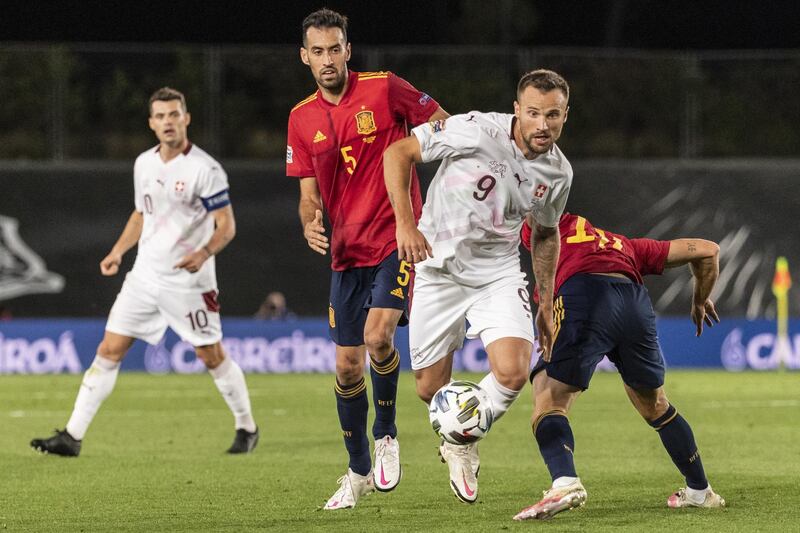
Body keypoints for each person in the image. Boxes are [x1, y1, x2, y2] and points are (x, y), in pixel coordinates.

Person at [31, 87, 258, 457]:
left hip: (188, 283)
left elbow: (226, 226)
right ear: (152, 124)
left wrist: (203, 253)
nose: (168, 122)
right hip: (144, 277)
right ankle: (72, 436)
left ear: (186, 118)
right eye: (161, 116)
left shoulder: (206, 169)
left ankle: (247, 427)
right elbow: (142, 213)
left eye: (174, 114)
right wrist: (118, 251)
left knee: (210, 356)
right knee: (109, 349)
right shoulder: (144, 164)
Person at [383, 69, 573, 503]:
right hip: (438, 268)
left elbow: (545, 234)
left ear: (565, 116)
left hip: (497, 272)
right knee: (430, 389)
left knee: (512, 370)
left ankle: (461, 440)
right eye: (533, 114)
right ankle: (458, 432)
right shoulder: (474, 129)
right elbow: (397, 153)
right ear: (516, 111)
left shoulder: (559, 173)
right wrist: (405, 225)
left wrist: (545, 301)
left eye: (553, 115)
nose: (542, 125)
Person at [286, 8, 449, 509]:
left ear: (348, 50)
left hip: (396, 239)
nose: (328, 59)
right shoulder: (300, 118)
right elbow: (308, 194)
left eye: (335, 48)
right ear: (305, 57)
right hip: (345, 252)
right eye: (318, 51)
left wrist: (428, 195)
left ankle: (386, 437)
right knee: (346, 367)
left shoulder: (383, 88)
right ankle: (357, 472)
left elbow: (443, 123)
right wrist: (310, 218)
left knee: (380, 335)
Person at [512, 213, 725, 520]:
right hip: (633, 303)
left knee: (549, 395)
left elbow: (530, 213)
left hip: (583, 294)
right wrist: (700, 299)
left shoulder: (547, 226)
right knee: (656, 405)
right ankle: (700, 491)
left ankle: (565, 482)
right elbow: (708, 250)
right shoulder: (625, 245)